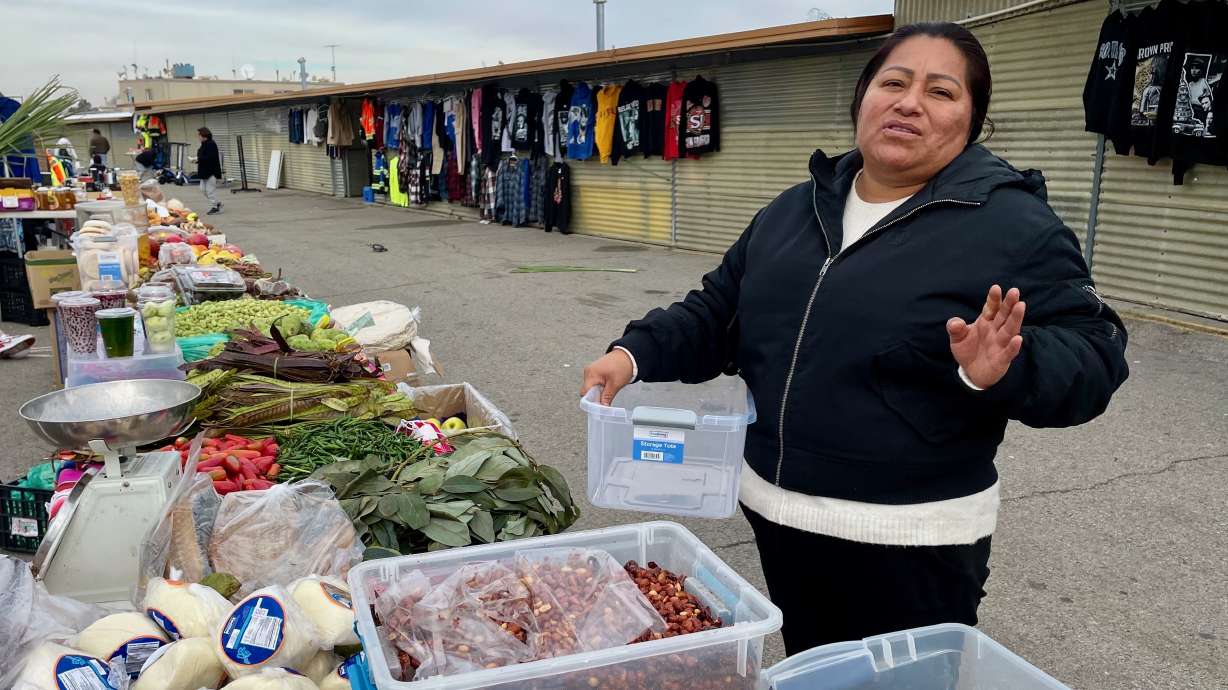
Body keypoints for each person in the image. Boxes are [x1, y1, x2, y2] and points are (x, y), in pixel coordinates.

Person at [581, 22, 1129, 655]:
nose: (909, 102)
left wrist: (1002, 369)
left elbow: (1095, 350)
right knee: (812, 662)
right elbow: (718, 313)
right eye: (892, 82)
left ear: (972, 120)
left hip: (910, 539)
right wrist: (633, 354)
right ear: (862, 99)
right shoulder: (795, 209)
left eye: (941, 92)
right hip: (777, 514)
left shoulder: (1013, 224)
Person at [193, 127, 223, 215]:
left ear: (204, 135)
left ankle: (215, 207)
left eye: (199, 135)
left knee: (210, 191)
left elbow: (211, 158)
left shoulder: (211, 144)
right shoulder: (203, 144)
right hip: (204, 172)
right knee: (203, 190)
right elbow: (202, 156)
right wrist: (197, 159)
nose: (198, 137)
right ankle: (217, 203)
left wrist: (198, 159)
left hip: (211, 171)